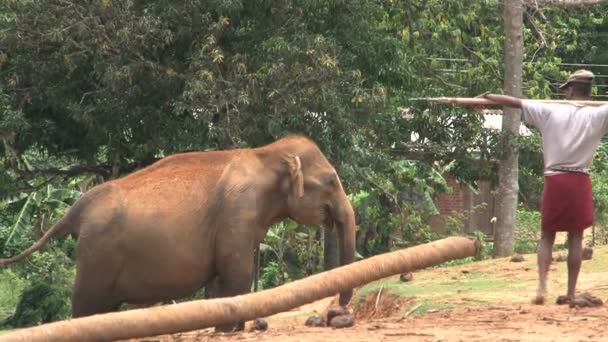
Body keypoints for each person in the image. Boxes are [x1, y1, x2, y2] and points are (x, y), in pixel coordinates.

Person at [483, 69, 608, 306]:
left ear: (570, 90)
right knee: (576, 237)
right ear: (589, 93)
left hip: (556, 179)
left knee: (547, 235)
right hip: (580, 179)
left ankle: (541, 286)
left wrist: (491, 97)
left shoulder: (551, 110)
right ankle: (571, 292)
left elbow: (515, 103)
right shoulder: (600, 114)